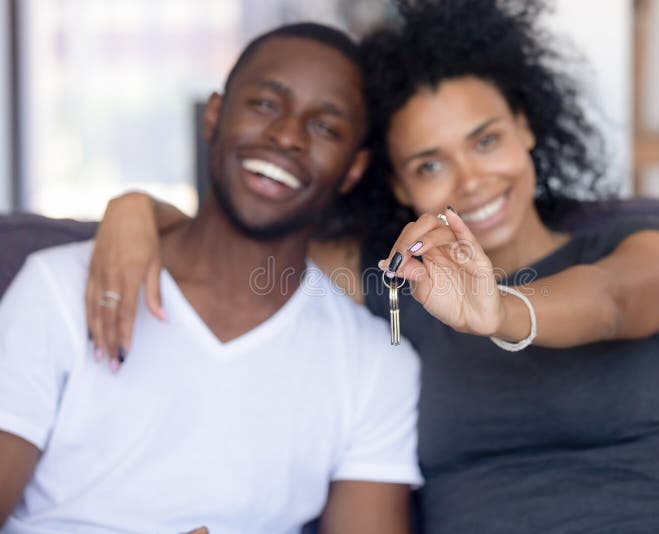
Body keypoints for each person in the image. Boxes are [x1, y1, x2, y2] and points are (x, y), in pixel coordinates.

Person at [84, 1, 659, 532]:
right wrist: (137, 210)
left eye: (486, 141)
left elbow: (611, 302)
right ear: (398, 184)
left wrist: (502, 309)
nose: (473, 180)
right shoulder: (402, 282)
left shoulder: (638, 249)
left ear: (526, 127)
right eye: (431, 165)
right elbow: (244, 246)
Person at [0, 23, 423, 533]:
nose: (286, 136)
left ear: (353, 168)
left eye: (324, 127)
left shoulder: (375, 362)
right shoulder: (58, 288)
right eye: (266, 104)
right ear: (215, 115)